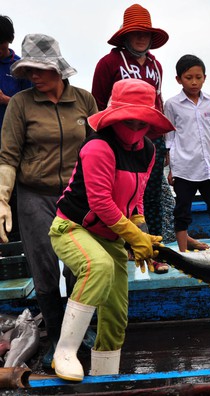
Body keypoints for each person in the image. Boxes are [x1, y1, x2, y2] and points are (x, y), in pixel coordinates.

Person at [49, 78, 172, 381]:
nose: (134, 123)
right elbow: (101, 203)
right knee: (97, 266)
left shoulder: (147, 151)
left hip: (112, 236)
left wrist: (141, 230)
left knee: (116, 313)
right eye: (128, 117)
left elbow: (137, 198)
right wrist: (134, 235)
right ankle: (64, 352)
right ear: (114, 115)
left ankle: (105, 376)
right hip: (73, 228)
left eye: (141, 118)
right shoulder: (98, 147)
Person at [0, 34, 97, 368]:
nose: (33, 77)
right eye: (29, 72)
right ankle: (56, 336)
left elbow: (100, 152)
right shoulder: (20, 103)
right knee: (42, 267)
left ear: (57, 69)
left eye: (40, 70)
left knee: (79, 266)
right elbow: (8, 155)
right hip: (33, 196)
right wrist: (2, 199)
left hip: (76, 196)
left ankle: (79, 332)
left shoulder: (84, 101)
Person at [91, 3, 172, 271]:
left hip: (151, 139)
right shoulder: (108, 63)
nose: (141, 38)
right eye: (136, 33)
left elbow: (158, 103)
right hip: (117, 140)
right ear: (125, 35)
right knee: (119, 196)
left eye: (146, 34)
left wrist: (164, 144)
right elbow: (98, 102)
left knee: (153, 195)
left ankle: (155, 252)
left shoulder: (156, 65)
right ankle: (123, 248)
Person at [164, 55, 210, 251]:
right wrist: (171, 169)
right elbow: (170, 138)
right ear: (178, 79)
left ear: (204, 77)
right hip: (184, 168)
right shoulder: (172, 104)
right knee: (182, 212)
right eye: (188, 77)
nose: (194, 82)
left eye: (198, 77)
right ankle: (183, 252)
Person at [0, 15, 32, 242]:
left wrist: (5, 100)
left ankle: (19, 247)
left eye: (1, 45)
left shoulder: (20, 68)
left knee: (15, 198)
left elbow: (32, 107)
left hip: (15, 145)